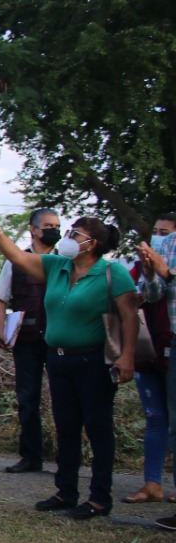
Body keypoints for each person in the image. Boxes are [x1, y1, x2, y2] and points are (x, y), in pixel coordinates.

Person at [0, 214, 138, 519]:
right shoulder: (57, 266)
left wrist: (127, 356)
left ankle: (100, 498)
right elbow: (17, 257)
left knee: (98, 428)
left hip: (92, 361)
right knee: (66, 427)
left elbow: (130, 315)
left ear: (92, 244)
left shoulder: (112, 272)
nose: (67, 238)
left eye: (74, 234)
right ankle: (66, 491)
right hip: (59, 359)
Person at [0, 208, 61, 473]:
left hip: (59, 340)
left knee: (64, 400)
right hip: (27, 340)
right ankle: (31, 456)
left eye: (56, 226)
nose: (54, 230)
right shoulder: (16, 261)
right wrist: (2, 331)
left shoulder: (66, 261)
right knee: (27, 398)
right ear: (33, 229)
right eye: (48, 226)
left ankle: (67, 459)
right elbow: (1, 299)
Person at [129, 214, 175, 508]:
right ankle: (152, 483)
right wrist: (148, 273)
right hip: (148, 351)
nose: (158, 238)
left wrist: (166, 271)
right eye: (155, 232)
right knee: (155, 418)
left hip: (172, 349)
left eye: (165, 232)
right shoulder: (142, 267)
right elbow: (149, 296)